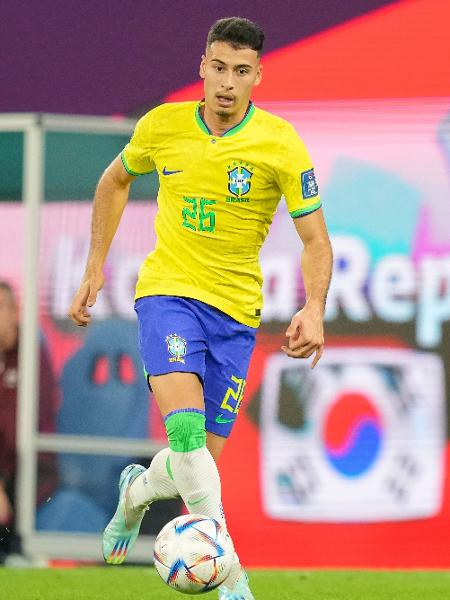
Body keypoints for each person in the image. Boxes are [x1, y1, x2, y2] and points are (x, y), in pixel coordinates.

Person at [68, 16, 332, 600]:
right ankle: (232, 577)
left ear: (257, 76)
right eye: (218, 67)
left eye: (241, 71)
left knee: (199, 461)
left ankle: (136, 492)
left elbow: (316, 240)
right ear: (202, 67)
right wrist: (94, 267)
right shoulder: (161, 126)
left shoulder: (280, 144)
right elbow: (114, 182)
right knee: (184, 432)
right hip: (167, 294)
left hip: (236, 315)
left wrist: (314, 307)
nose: (227, 83)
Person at [0, 281, 57, 563]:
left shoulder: (30, 354)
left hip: (31, 465)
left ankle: (18, 551)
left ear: (14, 312)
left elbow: (19, 427)